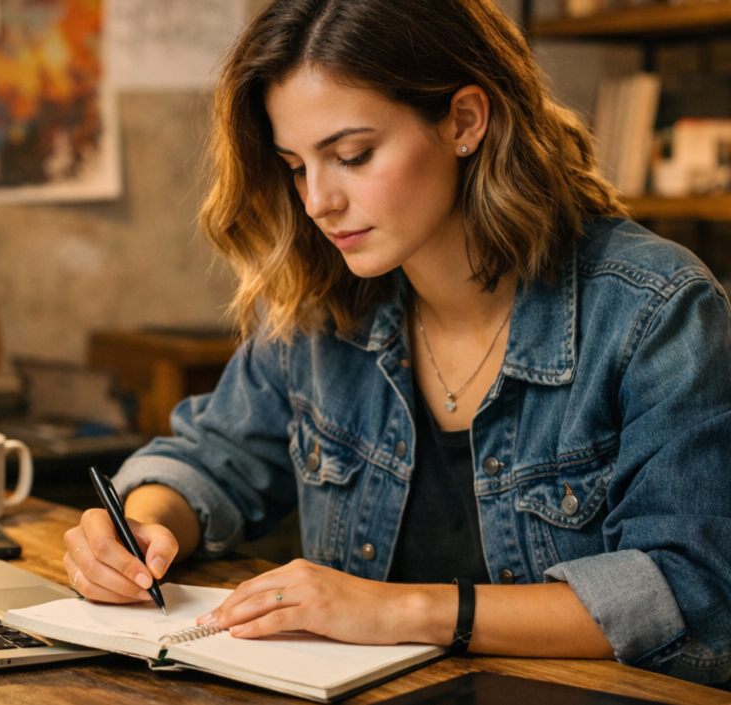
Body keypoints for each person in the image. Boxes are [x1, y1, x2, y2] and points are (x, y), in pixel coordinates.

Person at [64, 0, 731, 686]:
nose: (318, 201)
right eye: (296, 166)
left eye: (352, 155)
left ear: (464, 121)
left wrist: (403, 609)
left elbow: (690, 593)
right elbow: (210, 459)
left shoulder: (654, 310)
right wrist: (140, 527)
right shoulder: (324, 307)